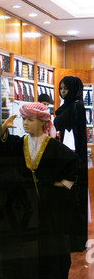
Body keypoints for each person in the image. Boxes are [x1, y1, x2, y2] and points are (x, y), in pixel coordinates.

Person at [0, 102, 79, 279]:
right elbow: (4, 148)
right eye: (24, 119)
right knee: (24, 246)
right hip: (24, 206)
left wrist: (59, 188)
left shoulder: (55, 147)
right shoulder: (19, 144)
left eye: (30, 120)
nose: (25, 123)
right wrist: (3, 131)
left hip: (48, 207)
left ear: (42, 122)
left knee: (49, 245)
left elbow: (73, 166)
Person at [54, 76, 88, 252]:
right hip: (70, 158)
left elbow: (59, 123)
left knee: (74, 201)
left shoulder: (75, 107)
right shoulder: (73, 106)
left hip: (72, 160)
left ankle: (74, 241)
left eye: (65, 88)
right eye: (61, 88)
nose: (62, 92)